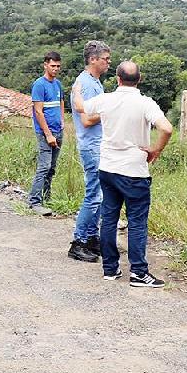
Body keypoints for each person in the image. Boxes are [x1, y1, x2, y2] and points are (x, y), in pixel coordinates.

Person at [80, 60, 174, 288]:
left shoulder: (106, 99)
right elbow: (167, 128)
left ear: (118, 79)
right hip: (133, 171)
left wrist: (75, 90)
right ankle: (139, 273)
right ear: (139, 79)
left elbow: (83, 107)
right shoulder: (145, 103)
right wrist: (156, 150)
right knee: (137, 222)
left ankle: (110, 269)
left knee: (109, 218)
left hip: (108, 168)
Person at [67, 40, 112, 263]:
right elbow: (86, 119)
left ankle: (92, 238)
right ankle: (79, 241)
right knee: (93, 196)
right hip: (92, 146)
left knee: (100, 195)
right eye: (105, 59)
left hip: (97, 144)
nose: (108, 63)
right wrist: (111, 112)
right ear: (93, 59)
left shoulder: (93, 83)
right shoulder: (86, 84)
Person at [27, 51, 64, 215]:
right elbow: (38, 112)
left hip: (58, 131)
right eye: (53, 66)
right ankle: (34, 201)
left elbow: (61, 102)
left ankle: (46, 198)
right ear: (45, 65)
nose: (55, 69)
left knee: (52, 168)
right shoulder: (39, 85)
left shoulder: (58, 84)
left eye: (58, 66)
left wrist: (62, 121)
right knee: (44, 167)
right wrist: (48, 134)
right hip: (45, 133)